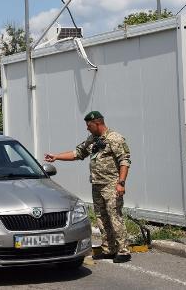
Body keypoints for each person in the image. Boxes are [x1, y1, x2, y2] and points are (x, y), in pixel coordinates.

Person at [44, 111, 132, 263]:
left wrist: (121, 183)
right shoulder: (92, 140)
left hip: (111, 185)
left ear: (97, 123)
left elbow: (124, 161)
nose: (87, 128)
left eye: (89, 125)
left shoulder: (115, 139)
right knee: (101, 217)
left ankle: (123, 251)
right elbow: (77, 153)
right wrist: (56, 157)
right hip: (97, 185)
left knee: (114, 216)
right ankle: (109, 249)